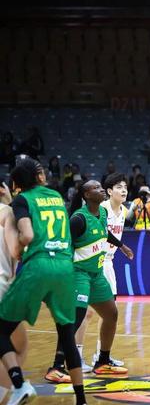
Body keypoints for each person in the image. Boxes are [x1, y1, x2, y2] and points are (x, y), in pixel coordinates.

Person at [0, 157, 86, 404]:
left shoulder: (23, 200)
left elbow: (27, 235)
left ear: (17, 183)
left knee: (1, 331)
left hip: (39, 266)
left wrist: (20, 243)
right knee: (67, 336)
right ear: (37, 176)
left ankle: (19, 384)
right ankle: (81, 400)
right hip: (65, 267)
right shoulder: (57, 197)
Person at [47, 180, 131, 382]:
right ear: (86, 195)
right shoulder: (78, 219)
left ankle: (102, 361)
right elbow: (65, 245)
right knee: (76, 317)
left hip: (97, 274)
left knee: (111, 314)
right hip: (79, 274)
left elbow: (105, 232)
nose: (101, 190)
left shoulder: (102, 212)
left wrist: (121, 246)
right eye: (96, 188)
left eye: (101, 187)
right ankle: (56, 366)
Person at [75, 173, 132, 372]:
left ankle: (102, 356)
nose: (124, 190)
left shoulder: (123, 210)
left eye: (125, 187)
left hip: (107, 262)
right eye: (119, 187)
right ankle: (76, 355)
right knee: (86, 313)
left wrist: (122, 246)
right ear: (109, 191)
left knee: (109, 312)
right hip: (91, 263)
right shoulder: (102, 208)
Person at [0, 196, 28, 402]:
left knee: (12, 344)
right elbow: (16, 251)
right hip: (3, 286)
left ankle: (12, 390)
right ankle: (17, 386)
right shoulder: (6, 212)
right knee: (17, 344)